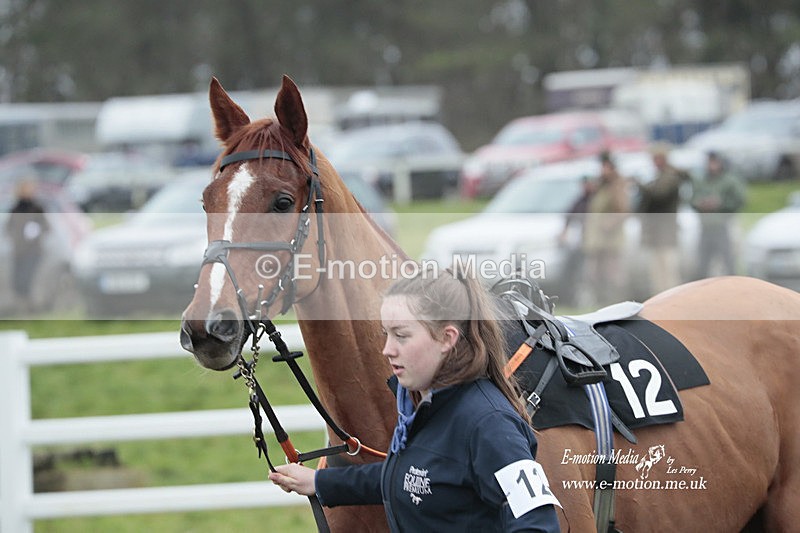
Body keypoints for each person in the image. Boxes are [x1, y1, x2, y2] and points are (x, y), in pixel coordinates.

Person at [269, 267, 561, 532]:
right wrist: (318, 483)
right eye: (386, 334)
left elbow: (538, 525)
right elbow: (410, 476)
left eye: (401, 336)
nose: (387, 350)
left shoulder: (490, 424)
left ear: (447, 339)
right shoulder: (421, 406)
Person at [635, 143, 690, 295]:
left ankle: (672, 297)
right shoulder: (657, 178)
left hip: (666, 230)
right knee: (656, 269)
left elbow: (659, 195)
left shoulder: (670, 177)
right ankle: (660, 297)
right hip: (655, 232)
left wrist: (640, 186)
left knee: (668, 266)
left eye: (657, 158)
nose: (655, 162)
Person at [582, 152, 629, 307]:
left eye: (605, 167)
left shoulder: (616, 185)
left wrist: (609, 223)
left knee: (612, 271)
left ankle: (616, 301)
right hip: (597, 237)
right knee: (596, 270)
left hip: (610, 237)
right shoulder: (601, 185)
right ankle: (599, 300)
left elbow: (622, 210)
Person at [690, 151, 746, 278]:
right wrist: (701, 204)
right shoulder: (701, 180)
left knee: (728, 262)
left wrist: (721, 204)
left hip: (724, 226)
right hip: (706, 227)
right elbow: (692, 199)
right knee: (702, 264)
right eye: (709, 162)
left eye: (714, 162)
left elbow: (740, 200)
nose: (711, 165)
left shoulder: (730, 180)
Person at [4, 180, 50, 313]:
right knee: (17, 280)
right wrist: (15, 238)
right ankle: (21, 307)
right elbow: (8, 228)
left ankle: (31, 307)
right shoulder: (15, 208)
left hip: (34, 251)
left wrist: (36, 230)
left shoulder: (37, 208)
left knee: (29, 279)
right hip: (19, 251)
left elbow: (46, 227)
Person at [558, 175, 596, 305]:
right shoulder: (581, 200)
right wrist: (564, 232)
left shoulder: (597, 199)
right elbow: (569, 215)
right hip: (584, 242)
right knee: (583, 272)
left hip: (597, 242)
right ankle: (583, 298)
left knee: (594, 271)